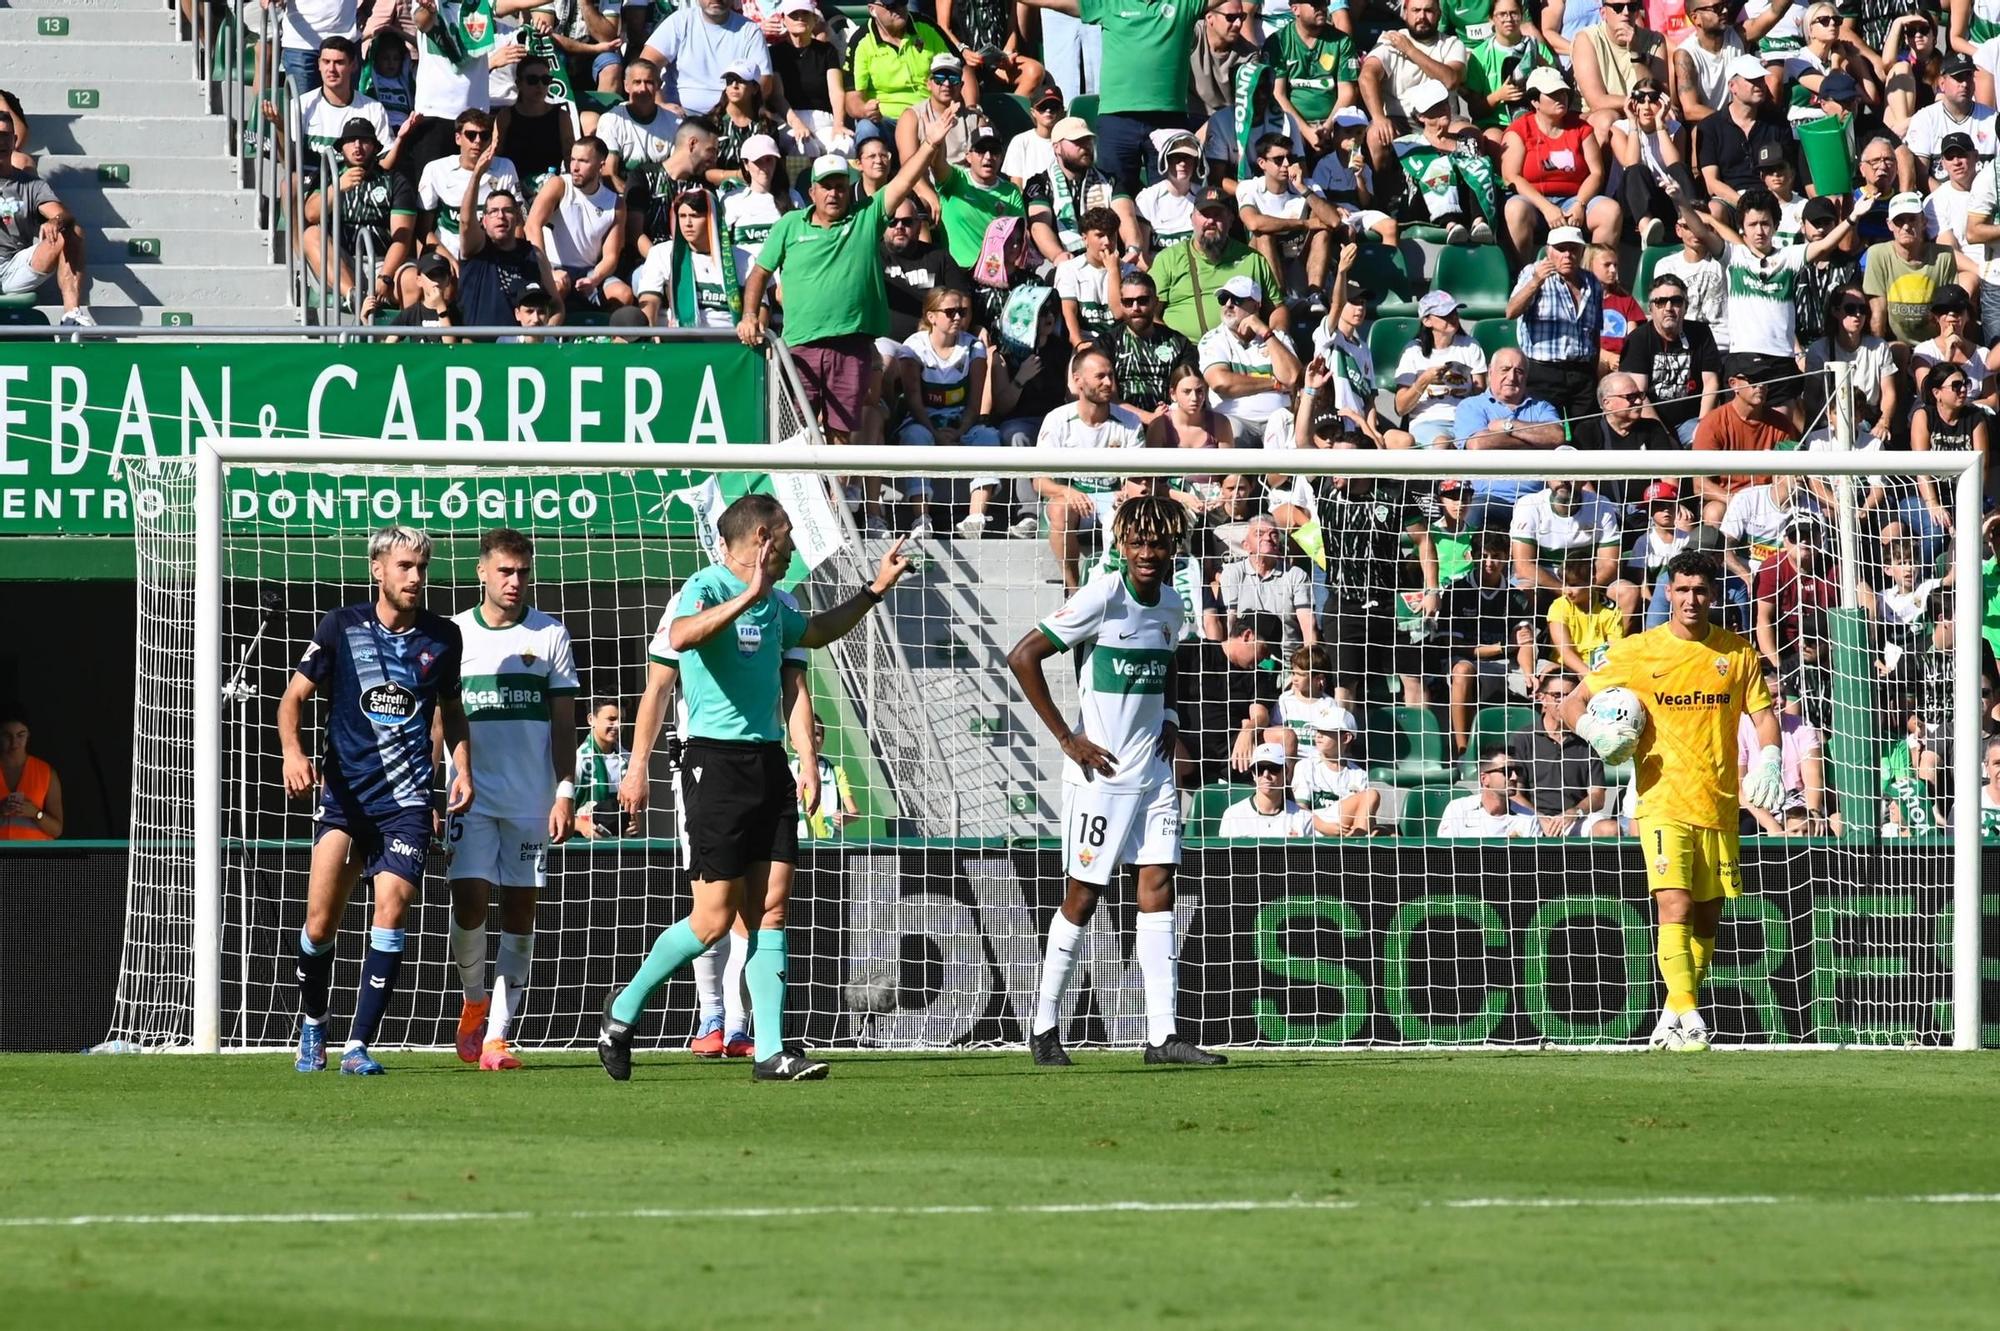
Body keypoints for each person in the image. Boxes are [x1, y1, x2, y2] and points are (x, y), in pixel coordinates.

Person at [599, 495, 913, 1082]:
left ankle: (770, 1050)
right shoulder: (704, 586)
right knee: (713, 920)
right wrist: (638, 767)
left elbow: (813, 638)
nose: (793, 547)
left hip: (768, 763)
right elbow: (681, 642)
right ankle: (623, 1010)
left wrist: (875, 589)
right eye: (787, 536)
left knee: (771, 910)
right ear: (763, 538)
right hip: (712, 764)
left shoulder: (782, 602)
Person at [1007, 495, 1226, 1067]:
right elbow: (1022, 656)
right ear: (1122, 546)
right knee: (1083, 897)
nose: (1147, 552)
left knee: (1159, 888)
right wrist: (1067, 738)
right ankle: (1043, 1026)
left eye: (1158, 543)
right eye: (1137, 543)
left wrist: (1171, 717)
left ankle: (1163, 1036)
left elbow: (1169, 665)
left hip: (1153, 773)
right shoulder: (1101, 596)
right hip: (1100, 776)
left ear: (1173, 548)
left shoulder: (1172, 604)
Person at [1560, 547, 1787, 1051]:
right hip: (1661, 801)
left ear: (1713, 596)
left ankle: (1671, 1015)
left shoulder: (1737, 654)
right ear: (1668, 592)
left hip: (1719, 804)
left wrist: (1770, 758)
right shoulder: (1638, 651)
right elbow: (1572, 703)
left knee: (1706, 918)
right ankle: (1691, 1016)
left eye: (1700, 591)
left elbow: (1764, 716)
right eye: (1682, 590)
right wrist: (1597, 732)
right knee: (1675, 905)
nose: (1690, 599)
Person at [278, 526, 471, 1076]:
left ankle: (358, 1046)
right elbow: (292, 699)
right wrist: (293, 753)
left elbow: (451, 711)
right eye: (405, 566)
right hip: (345, 800)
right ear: (377, 569)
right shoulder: (341, 627)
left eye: (421, 568)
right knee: (319, 926)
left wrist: (463, 768)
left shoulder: (443, 637)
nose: (415, 577)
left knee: (393, 908)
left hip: (406, 803)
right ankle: (314, 1023)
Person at [439, 530, 577, 1073]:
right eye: (504, 571)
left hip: (530, 801)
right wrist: (430, 786)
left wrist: (564, 791)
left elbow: (564, 724)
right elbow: (439, 718)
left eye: (522, 572)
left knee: (520, 913)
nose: (515, 581)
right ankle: (474, 1000)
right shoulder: (453, 634)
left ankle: (497, 1036)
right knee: (469, 904)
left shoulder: (550, 635)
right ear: (482, 572)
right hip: (468, 796)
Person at [736, 115, 951, 444]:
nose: (834, 193)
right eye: (826, 186)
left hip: (851, 346)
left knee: (841, 435)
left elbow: (904, 181)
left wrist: (930, 144)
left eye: (840, 185)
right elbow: (759, 272)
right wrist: (750, 314)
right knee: (796, 434)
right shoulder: (789, 224)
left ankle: (837, 482)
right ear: (812, 191)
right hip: (800, 346)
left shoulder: (866, 216)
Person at [1666, 180, 1872, 419]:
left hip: (1781, 360)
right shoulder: (1733, 256)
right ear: (1742, 228)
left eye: (1765, 223)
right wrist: (1680, 201)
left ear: (1775, 225)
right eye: (1752, 224)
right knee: (1746, 428)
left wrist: (1853, 217)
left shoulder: (1790, 257)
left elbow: (1825, 244)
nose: (1759, 231)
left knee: (1784, 430)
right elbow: (1701, 232)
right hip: (1743, 358)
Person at [1033, 344, 1147, 593]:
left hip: (1114, 499)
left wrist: (1128, 493)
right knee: (1060, 509)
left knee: (1134, 512)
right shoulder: (1057, 420)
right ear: (1078, 381)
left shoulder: (1129, 422)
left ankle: (1123, 590)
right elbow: (1039, 481)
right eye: (1100, 376)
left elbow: (1138, 479)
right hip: (1073, 499)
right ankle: (1073, 591)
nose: (1108, 383)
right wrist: (1066, 492)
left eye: (1111, 376)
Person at [300, 117, 419, 314]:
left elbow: (402, 239)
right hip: (340, 263)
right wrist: (337, 187)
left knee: (413, 280)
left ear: (375, 147)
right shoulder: (329, 175)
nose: (357, 146)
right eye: (350, 141)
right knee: (311, 234)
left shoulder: (394, 181)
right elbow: (311, 214)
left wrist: (385, 277)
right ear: (341, 148)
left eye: (364, 140)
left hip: (382, 264)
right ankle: (354, 297)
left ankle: (407, 332)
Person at [1501, 70, 1620, 257]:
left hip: (1574, 199)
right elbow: (1511, 176)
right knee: (1515, 208)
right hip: (1534, 202)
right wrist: (1546, 207)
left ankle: (1595, 271)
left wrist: (1580, 204)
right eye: (1553, 94)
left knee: (1610, 211)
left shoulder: (1581, 128)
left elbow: (1596, 172)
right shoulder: (1519, 130)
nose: (1561, 98)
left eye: (1563, 93)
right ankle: (1523, 270)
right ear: (1535, 101)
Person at [1440, 531, 1538, 757]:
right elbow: (1453, 644)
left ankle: (1546, 751)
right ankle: (1462, 751)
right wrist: (1501, 647)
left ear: (1506, 558)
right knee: (1462, 671)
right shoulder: (1456, 591)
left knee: (1552, 675)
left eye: (1496, 556)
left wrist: (1529, 673)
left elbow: (1524, 641)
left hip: (1507, 662)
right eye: (1483, 555)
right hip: (1468, 660)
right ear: (1472, 556)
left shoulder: (1516, 596)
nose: (1489, 562)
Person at [1504, 225, 1603, 444]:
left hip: (1582, 372)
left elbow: (1595, 331)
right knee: (1544, 437)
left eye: (1573, 249)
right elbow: (1511, 311)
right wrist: (1535, 282)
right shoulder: (1533, 273)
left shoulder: (1592, 282)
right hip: (1543, 372)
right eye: (1561, 249)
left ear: (1582, 252)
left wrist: (1593, 372)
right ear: (1549, 250)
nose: (1567, 254)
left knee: (1587, 437)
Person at [1151, 185, 1286, 341]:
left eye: (1217, 215)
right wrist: (1172, 345)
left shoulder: (1252, 259)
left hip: (1243, 349)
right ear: (1192, 218)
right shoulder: (1168, 259)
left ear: (1230, 219)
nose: (1210, 221)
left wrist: (1276, 339)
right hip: (1186, 350)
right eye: (1204, 214)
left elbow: (1277, 309)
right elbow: (1150, 313)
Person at [456, 137, 558, 327]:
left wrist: (542, 336)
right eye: (493, 211)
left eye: (508, 211)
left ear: (518, 218)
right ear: (484, 220)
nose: (501, 216)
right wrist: (476, 175)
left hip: (521, 344)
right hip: (479, 343)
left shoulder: (534, 254)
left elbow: (557, 307)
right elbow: (465, 222)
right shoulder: (476, 249)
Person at [0, 116, 90, 326]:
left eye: (5, 136)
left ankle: (71, 315)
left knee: (72, 230)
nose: (0, 142)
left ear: (14, 141)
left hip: (16, 267)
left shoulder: (31, 185)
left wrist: (55, 221)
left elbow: (64, 214)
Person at [1198, 275, 1303, 448]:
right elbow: (1221, 383)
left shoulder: (1277, 338)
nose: (1228, 304)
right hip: (1234, 420)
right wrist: (1274, 384)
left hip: (1277, 419)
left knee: (1284, 423)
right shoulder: (1213, 339)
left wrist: (1266, 333)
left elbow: (1293, 379)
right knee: (1232, 430)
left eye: (1237, 299)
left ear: (1255, 305)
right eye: (1223, 299)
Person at [1619, 273, 1722, 444]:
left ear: (1685, 306)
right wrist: (1664, 436)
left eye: (1676, 301)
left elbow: (1711, 383)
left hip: (1691, 421)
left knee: (1709, 440)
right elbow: (1639, 394)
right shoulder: (1638, 339)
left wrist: (1702, 427)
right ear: (1651, 308)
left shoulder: (1701, 333)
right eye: (1660, 302)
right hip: (1649, 423)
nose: (1668, 307)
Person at [1865, 191, 1972, 347]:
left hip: (1933, 344)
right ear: (1889, 224)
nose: (1906, 226)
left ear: (1924, 221)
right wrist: (1878, 353)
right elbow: (1878, 311)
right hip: (1895, 345)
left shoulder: (1944, 256)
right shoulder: (1877, 254)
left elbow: (1948, 308)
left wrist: (1945, 348)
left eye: (1912, 219)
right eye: (1899, 221)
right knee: (1900, 351)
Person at [1694, 55, 1793, 222]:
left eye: (1761, 79)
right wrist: (1745, 204)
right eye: (1752, 80)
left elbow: (1789, 170)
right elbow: (1712, 182)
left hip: (1772, 197)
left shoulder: (1778, 122)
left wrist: (1768, 203)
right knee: (1715, 209)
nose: (1759, 84)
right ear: (1732, 86)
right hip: (1731, 199)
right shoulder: (1710, 126)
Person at [641, 0, 772, 119]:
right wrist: (660, 103)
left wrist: (734, 112)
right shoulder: (679, 21)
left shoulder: (750, 30)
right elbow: (645, 65)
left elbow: (764, 81)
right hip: (678, 116)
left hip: (729, 118)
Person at [1395, 292, 1488, 447]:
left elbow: (1480, 394)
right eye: (1445, 314)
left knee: (1482, 443)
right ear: (1427, 321)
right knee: (1442, 443)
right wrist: (1424, 380)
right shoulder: (1413, 351)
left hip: (1464, 420)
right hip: (1428, 421)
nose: (1453, 317)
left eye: (1454, 312)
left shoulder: (1470, 346)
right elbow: (1400, 407)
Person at [845, 0, 957, 125]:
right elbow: (852, 98)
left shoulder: (926, 27)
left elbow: (961, 68)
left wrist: (971, 107)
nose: (899, 8)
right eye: (891, 5)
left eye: (903, 1)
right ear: (872, 10)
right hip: (885, 120)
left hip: (930, 117)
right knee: (866, 127)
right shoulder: (861, 41)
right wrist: (864, 110)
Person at [934, 125, 1025, 270]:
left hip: (993, 272)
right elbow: (937, 166)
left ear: (1001, 157)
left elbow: (1019, 237)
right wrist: (936, 142)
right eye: (981, 150)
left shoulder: (1011, 192)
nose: (988, 157)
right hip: (955, 271)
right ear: (968, 156)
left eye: (994, 151)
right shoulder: (955, 179)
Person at [1109, 272, 1196, 421]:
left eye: (1142, 300)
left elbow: (1189, 390)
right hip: (1120, 423)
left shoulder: (1179, 342)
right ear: (1121, 304)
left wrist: (1168, 415)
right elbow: (1108, 397)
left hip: (1170, 421)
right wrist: (1149, 418)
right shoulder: (1107, 343)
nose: (1135, 308)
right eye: (1128, 302)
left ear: (1155, 302)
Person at [769, 0, 850, 158]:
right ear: (783, 19)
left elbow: (836, 91)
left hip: (824, 120)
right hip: (789, 120)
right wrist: (797, 124)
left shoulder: (827, 51)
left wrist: (839, 124)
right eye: (794, 15)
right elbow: (777, 96)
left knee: (845, 145)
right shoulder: (775, 53)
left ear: (814, 19)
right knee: (804, 146)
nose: (800, 18)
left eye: (805, 13)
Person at [1290, 702, 1380, 834]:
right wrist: (1323, 826)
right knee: (1371, 795)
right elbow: (1299, 808)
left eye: (1325, 731)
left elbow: (1366, 816)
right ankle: (1359, 843)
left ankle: (1357, 840)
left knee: (1388, 832)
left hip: (1346, 830)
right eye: (1317, 730)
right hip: (1314, 830)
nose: (1318, 735)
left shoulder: (1359, 774)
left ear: (1346, 738)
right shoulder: (1305, 766)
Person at [596, 59, 682, 180]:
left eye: (649, 82)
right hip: (625, 190)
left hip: (665, 188)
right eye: (637, 82)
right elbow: (608, 175)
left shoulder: (674, 122)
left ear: (658, 85)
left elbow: (679, 170)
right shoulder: (611, 121)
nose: (643, 89)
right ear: (626, 86)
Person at [1437, 751, 1550, 836]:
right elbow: (1445, 854)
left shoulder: (1528, 818)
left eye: (1517, 771)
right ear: (1484, 779)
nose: (1514, 777)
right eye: (1506, 771)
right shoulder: (1458, 810)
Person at [1216, 742, 1317, 836]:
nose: (1266, 775)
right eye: (1259, 769)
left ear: (1285, 771)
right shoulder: (1233, 816)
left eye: (1273, 768)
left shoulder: (1303, 817)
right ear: (1253, 774)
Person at [0, 710, 62, 840]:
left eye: (20, 735)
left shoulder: (46, 772)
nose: (14, 743)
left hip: (34, 852)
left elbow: (57, 830)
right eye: (7, 735)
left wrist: (36, 813)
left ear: (28, 735)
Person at [574, 699, 629, 839]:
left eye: (622, 720)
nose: (618, 725)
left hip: (619, 844)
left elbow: (634, 811)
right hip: (581, 844)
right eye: (611, 719)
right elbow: (554, 809)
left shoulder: (628, 760)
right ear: (591, 719)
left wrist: (633, 823)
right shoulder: (578, 760)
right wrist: (582, 825)